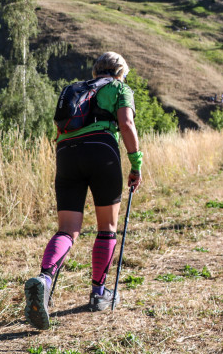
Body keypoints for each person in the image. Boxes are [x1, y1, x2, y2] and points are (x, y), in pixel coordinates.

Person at [24, 52, 144, 330]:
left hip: (66, 153)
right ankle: (99, 293)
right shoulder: (119, 88)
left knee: (67, 230)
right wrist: (136, 164)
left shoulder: (76, 89)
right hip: (102, 150)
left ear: (95, 71)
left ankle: (44, 280)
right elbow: (126, 124)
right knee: (107, 228)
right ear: (121, 72)